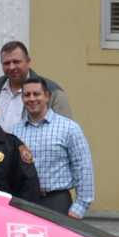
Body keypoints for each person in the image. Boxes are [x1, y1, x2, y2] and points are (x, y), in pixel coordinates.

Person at [17, 78, 94, 217]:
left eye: (36, 94)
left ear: (47, 96)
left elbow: (83, 167)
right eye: (27, 95)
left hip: (57, 202)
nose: (31, 98)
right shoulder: (15, 131)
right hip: (25, 203)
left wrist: (80, 207)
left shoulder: (69, 128)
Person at [0, 40, 74, 130]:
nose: (11, 67)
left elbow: (66, 130)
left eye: (16, 62)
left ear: (28, 61)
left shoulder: (53, 92)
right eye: (6, 63)